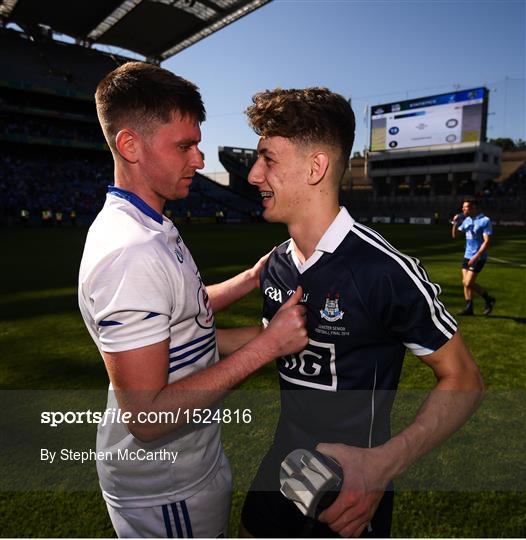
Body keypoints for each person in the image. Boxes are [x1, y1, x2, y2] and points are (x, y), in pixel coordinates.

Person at [239, 87, 485, 538]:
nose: (254, 175)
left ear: (316, 168)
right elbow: (267, 341)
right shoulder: (275, 265)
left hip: (350, 493)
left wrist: (385, 461)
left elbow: (464, 378)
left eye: (268, 159)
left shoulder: (383, 270)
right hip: (278, 472)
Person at [78, 62, 308, 538]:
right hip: (163, 487)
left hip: (185, 469)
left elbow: (183, 312)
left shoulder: (150, 225)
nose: (200, 160)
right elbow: (147, 418)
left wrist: (250, 278)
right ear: (130, 145)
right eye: (185, 146)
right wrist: (266, 348)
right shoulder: (130, 252)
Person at [451, 200, 496, 316]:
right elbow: (455, 235)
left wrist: (476, 256)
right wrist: (455, 223)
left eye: (465, 207)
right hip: (467, 256)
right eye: (463, 207)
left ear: (474, 207)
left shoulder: (485, 220)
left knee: (468, 282)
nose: (463, 209)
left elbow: (487, 242)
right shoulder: (467, 220)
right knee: (466, 283)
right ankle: (469, 308)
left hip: (479, 257)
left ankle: (488, 299)